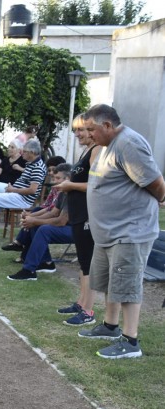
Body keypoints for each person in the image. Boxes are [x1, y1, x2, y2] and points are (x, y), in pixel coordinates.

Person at [77, 104, 165, 359]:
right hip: (108, 232)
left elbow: (157, 184)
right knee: (109, 283)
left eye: (91, 129)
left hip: (130, 231)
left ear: (107, 125)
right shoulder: (107, 146)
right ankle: (110, 327)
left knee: (127, 286)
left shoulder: (129, 144)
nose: (89, 135)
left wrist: (155, 200)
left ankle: (130, 341)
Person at [54, 113, 103, 326]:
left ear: (93, 130)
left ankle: (88, 311)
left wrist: (69, 186)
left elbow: (96, 185)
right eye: (75, 130)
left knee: (88, 263)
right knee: (83, 262)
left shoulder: (98, 150)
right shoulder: (88, 150)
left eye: (81, 129)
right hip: (78, 213)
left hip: (87, 214)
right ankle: (81, 303)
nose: (77, 134)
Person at [6, 164, 74, 280]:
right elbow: (52, 212)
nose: (54, 181)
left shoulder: (73, 194)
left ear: (67, 179)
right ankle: (46, 263)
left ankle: (29, 270)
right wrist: (32, 219)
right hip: (68, 228)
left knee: (43, 229)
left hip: (80, 232)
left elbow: (61, 221)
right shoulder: (63, 192)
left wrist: (34, 220)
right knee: (36, 226)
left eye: (58, 178)